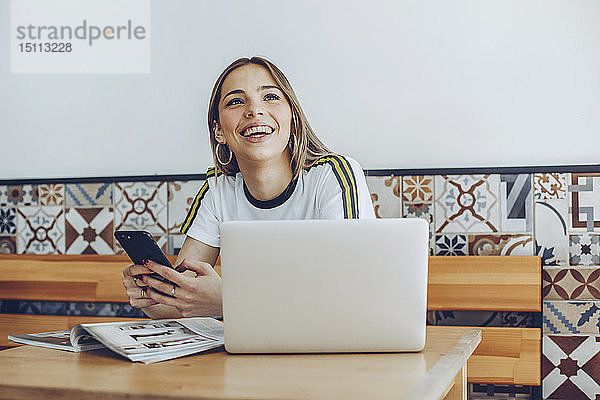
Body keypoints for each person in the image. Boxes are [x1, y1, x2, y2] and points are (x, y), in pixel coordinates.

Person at [123, 56, 375, 319]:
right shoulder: (217, 191)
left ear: (293, 118)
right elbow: (180, 302)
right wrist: (153, 296)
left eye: (270, 97)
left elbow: (348, 294)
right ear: (219, 130)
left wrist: (230, 301)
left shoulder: (334, 175)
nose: (254, 110)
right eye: (235, 101)